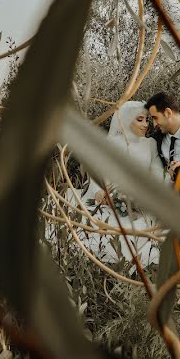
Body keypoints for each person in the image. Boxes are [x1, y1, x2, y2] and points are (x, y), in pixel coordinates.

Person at [64, 101, 168, 268]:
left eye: (147, 120)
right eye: (139, 120)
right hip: (113, 194)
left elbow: (157, 173)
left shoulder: (150, 144)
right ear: (127, 120)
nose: (145, 125)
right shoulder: (111, 142)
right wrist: (99, 191)